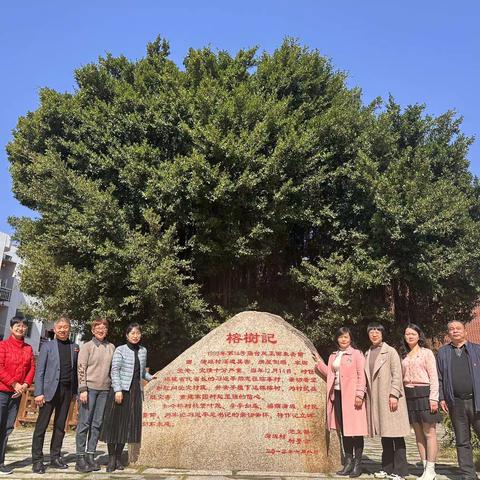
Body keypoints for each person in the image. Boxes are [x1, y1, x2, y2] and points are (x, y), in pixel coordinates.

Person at [100, 323, 153, 472]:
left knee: (127, 426)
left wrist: (151, 378)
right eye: (132, 333)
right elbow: (114, 371)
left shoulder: (143, 351)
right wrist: (117, 390)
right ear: (127, 335)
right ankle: (111, 459)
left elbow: (141, 372)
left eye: (138, 333)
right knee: (114, 425)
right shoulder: (120, 350)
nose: (135, 336)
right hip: (120, 391)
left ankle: (118, 458)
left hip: (135, 392)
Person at [315, 327, 368, 477]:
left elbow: (361, 375)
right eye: (341, 337)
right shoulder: (334, 355)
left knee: (356, 431)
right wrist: (319, 364)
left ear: (351, 338)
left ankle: (358, 464)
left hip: (352, 397)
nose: (343, 339)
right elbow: (331, 375)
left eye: (346, 337)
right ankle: (348, 462)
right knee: (344, 431)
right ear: (337, 339)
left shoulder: (356, 354)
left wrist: (360, 394)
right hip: (337, 396)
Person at [31, 316, 79, 474]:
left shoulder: (75, 347)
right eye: (60, 327)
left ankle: (55, 457)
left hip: (66, 392)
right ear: (55, 329)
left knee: (60, 426)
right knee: (41, 427)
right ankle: (37, 460)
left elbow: (76, 372)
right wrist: (39, 392)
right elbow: (40, 372)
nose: (63, 330)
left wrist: (75, 392)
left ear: (69, 329)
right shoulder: (47, 346)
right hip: (48, 391)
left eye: (66, 327)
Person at [364, 322, 410, 480]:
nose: (374, 334)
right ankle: (386, 468)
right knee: (385, 435)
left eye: (377, 331)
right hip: (376, 399)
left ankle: (401, 471)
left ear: (383, 334)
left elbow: (397, 374)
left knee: (396, 434)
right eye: (371, 331)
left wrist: (394, 394)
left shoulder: (390, 351)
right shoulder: (367, 353)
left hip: (390, 398)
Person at [437, 320, 480, 480]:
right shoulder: (442, 352)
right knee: (462, 440)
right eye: (451, 329)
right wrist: (441, 397)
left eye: (458, 328)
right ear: (448, 333)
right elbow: (439, 377)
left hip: (476, 401)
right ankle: (468, 475)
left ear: (465, 331)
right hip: (455, 403)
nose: (455, 331)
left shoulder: (477, 350)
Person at [75, 318, 115, 473]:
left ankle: (90, 454)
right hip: (89, 389)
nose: (101, 330)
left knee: (97, 424)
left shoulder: (111, 347)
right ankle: (80, 457)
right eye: (98, 327)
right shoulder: (87, 346)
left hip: (104, 390)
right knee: (84, 423)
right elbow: (81, 368)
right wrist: (82, 388)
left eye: (104, 327)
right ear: (93, 330)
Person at [401, 324, 441, 480]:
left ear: (419, 336)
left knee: (429, 432)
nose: (410, 336)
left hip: (425, 393)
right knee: (418, 434)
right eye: (407, 334)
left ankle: (431, 469)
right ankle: (425, 468)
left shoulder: (427, 353)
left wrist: (433, 398)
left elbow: (433, 377)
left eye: (413, 333)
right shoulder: (403, 355)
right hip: (409, 395)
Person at [0, 316, 35, 475]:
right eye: (17, 325)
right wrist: (15, 383)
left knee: (7, 427)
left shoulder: (28, 348)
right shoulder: (3, 346)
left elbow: (32, 368)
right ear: (11, 328)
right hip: (2, 392)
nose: (21, 328)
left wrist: (26, 385)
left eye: (23, 326)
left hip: (17, 394)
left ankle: (1, 462)